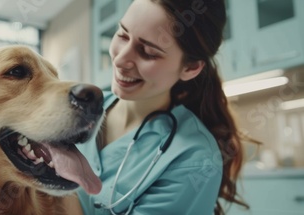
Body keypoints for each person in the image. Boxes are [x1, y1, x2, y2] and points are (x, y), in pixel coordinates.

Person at [62, 0, 260, 214]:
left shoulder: (194, 158)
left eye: (147, 52)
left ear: (190, 67)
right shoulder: (86, 102)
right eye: (122, 35)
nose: (120, 60)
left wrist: (55, 187)